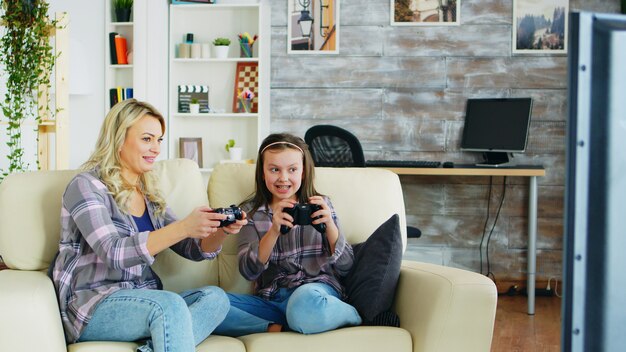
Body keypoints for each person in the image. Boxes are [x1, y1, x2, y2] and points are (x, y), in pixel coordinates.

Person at [51, 99, 246, 352]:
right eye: (147, 139)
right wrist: (184, 226)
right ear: (119, 139)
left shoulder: (149, 193)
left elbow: (192, 248)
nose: (155, 148)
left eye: (159, 140)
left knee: (216, 299)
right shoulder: (86, 186)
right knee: (168, 305)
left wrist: (218, 231)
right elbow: (113, 252)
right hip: (93, 304)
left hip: (144, 299)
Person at [214, 133, 361, 336]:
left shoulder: (321, 205)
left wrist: (330, 227)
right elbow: (248, 272)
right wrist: (273, 231)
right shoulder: (251, 213)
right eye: (274, 169)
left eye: (292, 169)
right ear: (263, 173)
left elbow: (346, 266)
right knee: (204, 301)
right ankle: (276, 328)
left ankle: (353, 315)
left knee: (304, 303)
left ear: (302, 172)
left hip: (314, 294)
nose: (283, 178)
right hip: (272, 303)